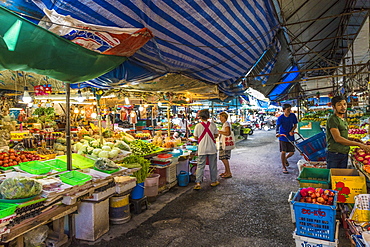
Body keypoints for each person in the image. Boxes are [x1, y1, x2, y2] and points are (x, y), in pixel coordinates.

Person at [326, 95, 370, 169]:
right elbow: (338, 138)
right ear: (334, 107)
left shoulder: (343, 119)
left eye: (344, 104)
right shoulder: (333, 119)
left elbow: (343, 136)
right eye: (339, 105)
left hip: (344, 153)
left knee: (342, 176)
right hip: (335, 154)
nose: (343, 107)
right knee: (334, 176)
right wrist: (359, 145)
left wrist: (353, 139)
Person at [193, 109, 219, 190]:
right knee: (213, 166)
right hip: (212, 148)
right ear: (208, 116)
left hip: (202, 149)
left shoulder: (198, 126)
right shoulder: (213, 125)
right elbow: (216, 135)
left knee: (200, 166)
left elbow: (195, 137)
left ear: (200, 117)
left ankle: (198, 183)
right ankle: (214, 181)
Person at [275, 104, 298, 174]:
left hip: (290, 135)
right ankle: (284, 167)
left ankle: (285, 159)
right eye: (288, 110)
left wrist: (292, 130)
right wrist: (277, 133)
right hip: (283, 136)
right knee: (283, 151)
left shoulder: (293, 116)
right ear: (283, 110)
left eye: (290, 109)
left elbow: (295, 125)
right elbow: (277, 127)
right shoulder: (280, 118)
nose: (289, 111)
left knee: (292, 152)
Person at [218, 112, 233, 178]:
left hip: (224, 143)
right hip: (223, 143)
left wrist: (219, 131)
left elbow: (228, 133)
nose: (220, 119)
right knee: (224, 158)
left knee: (224, 158)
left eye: (221, 117)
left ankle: (229, 172)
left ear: (224, 117)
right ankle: (226, 171)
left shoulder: (226, 123)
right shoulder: (225, 123)